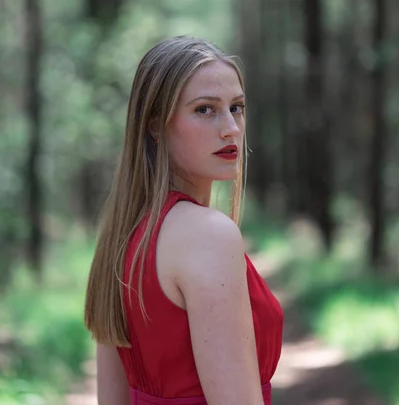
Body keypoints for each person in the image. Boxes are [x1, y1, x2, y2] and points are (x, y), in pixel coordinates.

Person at [84, 36, 283, 405]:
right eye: (205, 109)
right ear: (155, 126)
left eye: (237, 107)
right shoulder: (209, 234)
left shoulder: (122, 236)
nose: (231, 128)